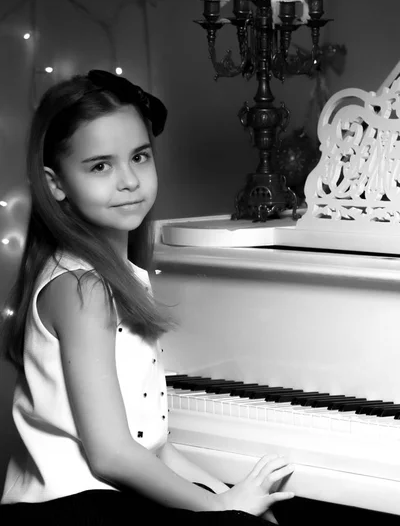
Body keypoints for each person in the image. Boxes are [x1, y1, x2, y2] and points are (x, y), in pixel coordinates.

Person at [0, 70, 295, 524]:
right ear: (55, 183)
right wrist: (222, 509)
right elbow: (112, 456)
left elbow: (149, 444)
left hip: (110, 496)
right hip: (73, 509)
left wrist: (227, 496)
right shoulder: (83, 288)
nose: (129, 181)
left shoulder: (111, 276)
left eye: (139, 157)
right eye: (100, 165)